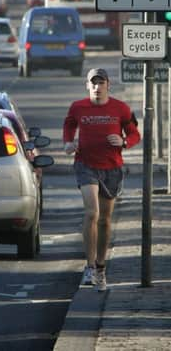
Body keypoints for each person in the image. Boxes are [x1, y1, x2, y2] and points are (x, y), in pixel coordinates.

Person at [63, 68, 141, 292]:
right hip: (85, 165)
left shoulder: (120, 108)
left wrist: (124, 141)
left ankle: (100, 266)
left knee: (105, 220)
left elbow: (135, 133)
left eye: (101, 83)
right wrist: (68, 142)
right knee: (92, 213)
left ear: (108, 85)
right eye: (93, 83)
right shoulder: (78, 107)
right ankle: (88, 267)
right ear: (87, 86)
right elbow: (69, 125)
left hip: (112, 168)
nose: (97, 87)